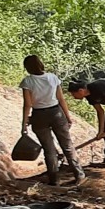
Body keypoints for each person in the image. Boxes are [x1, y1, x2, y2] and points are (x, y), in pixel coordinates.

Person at [19, 55, 84, 186]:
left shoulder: (28, 81)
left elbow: (28, 104)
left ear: (27, 67)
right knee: (67, 145)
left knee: (49, 149)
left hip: (39, 115)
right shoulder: (53, 78)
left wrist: (24, 123)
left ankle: (54, 179)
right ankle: (79, 174)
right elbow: (61, 99)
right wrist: (67, 116)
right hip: (56, 113)